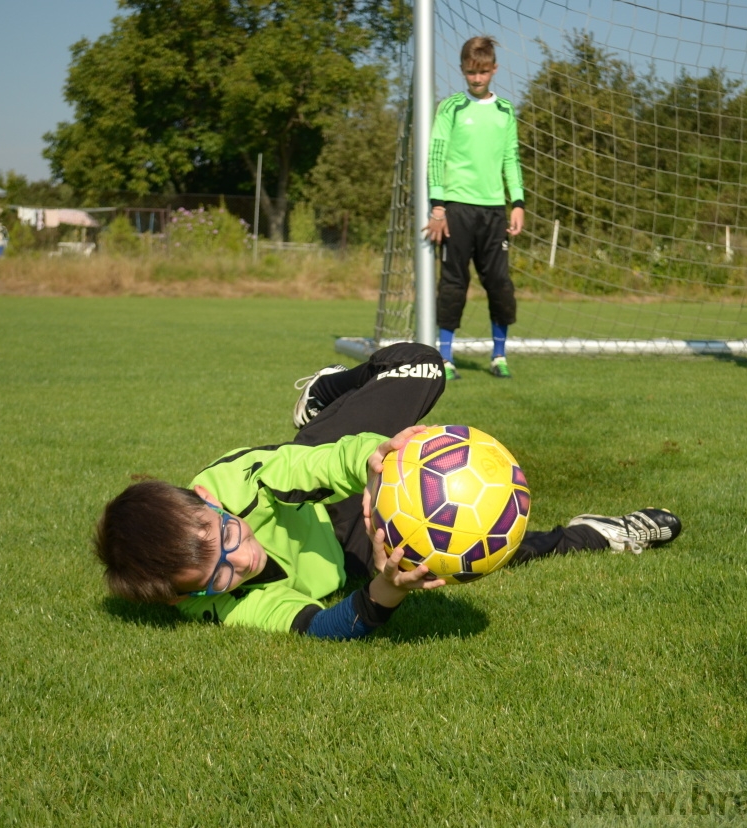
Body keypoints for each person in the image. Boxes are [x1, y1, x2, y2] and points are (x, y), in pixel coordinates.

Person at [93, 343, 681, 639]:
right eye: (218, 574)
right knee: (473, 548)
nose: (241, 559)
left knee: (423, 365)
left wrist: (374, 460)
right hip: (351, 549)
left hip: (327, 470)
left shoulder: (232, 482)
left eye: (225, 535)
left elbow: (307, 467)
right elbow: (322, 629)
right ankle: (601, 533)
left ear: (209, 504)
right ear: (182, 599)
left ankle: (328, 394)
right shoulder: (227, 607)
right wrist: (385, 587)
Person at [423, 35, 525, 381]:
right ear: (463, 70)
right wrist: (438, 206)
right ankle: (445, 357)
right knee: (453, 282)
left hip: (495, 210)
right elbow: (436, 156)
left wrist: (518, 202)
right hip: (457, 209)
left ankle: (499, 356)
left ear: (494, 70)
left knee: (499, 283)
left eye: (482, 73)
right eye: (470, 73)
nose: (476, 79)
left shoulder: (505, 111)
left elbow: (511, 159)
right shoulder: (451, 108)